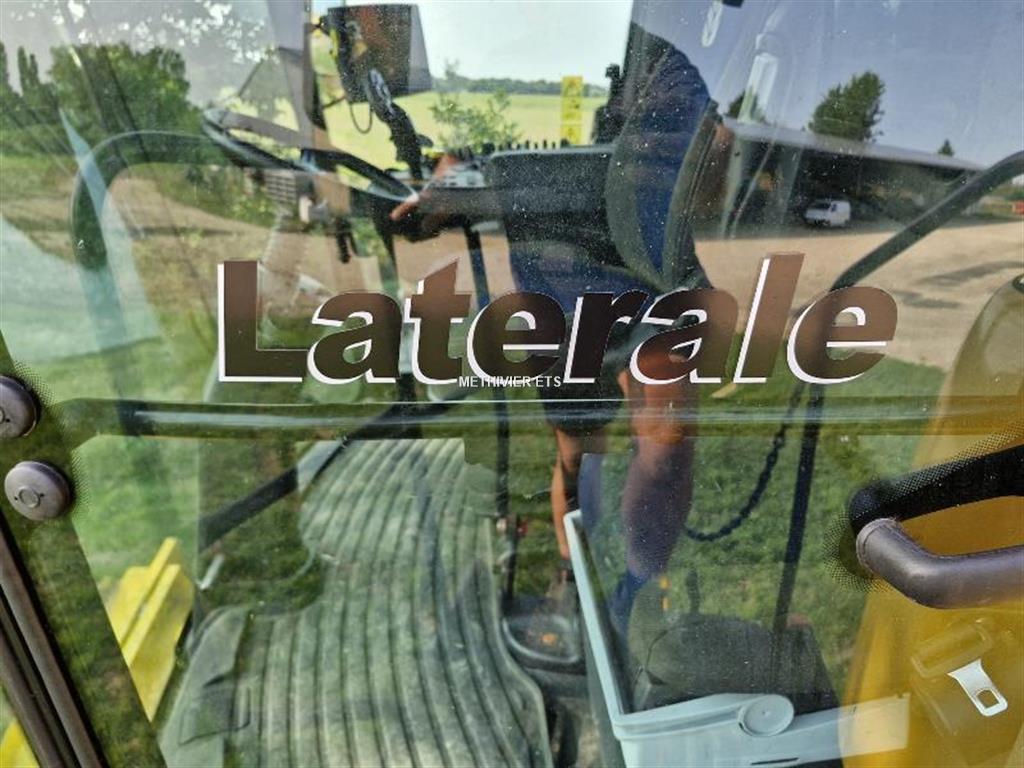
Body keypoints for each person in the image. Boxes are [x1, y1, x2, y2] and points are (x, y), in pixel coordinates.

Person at [393, 26, 720, 642]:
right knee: (576, 450)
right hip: (555, 290)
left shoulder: (660, 60)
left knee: (666, 444)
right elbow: (461, 152)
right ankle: (574, 585)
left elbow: (697, 167)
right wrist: (444, 188)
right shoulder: (508, 59)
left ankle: (639, 593)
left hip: (653, 280)